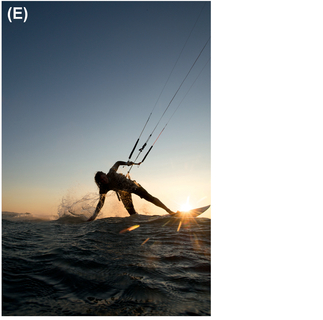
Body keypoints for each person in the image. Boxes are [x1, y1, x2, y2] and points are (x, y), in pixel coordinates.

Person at [87, 160, 176, 221]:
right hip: (124, 194)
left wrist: (127, 163)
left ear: (105, 174)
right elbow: (101, 203)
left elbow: (117, 162)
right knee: (132, 213)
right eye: (101, 180)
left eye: (103, 177)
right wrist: (94, 216)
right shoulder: (103, 188)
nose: (104, 180)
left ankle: (170, 211)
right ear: (100, 182)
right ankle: (138, 225)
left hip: (133, 186)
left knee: (150, 198)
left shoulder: (111, 172)